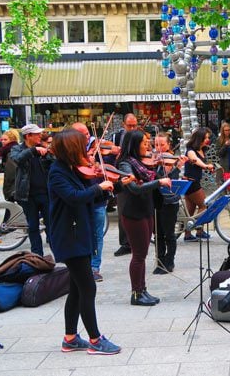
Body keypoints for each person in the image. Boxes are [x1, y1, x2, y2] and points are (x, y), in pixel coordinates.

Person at [47, 129, 121, 355]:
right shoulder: (57, 173)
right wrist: (99, 186)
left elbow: (91, 198)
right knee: (88, 287)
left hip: (79, 234)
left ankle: (70, 338)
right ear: (72, 149)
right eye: (83, 146)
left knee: (77, 289)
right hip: (70, 238)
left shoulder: (73, 170)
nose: (88, 151)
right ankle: (95, 340)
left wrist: (117, 185)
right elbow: (74, 198)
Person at [116, 130, 171, 306]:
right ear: (134, 144)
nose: (148, 145)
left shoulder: (139, 162)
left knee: (143, 253)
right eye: (144, 142)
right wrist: (158, 182)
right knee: (139, 255)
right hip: (134, 213)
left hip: (146, 210)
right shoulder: (125, 164)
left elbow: (151, 176)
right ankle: (136, 293)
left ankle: (143, 289)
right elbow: (135, 188)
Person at [72, 122, 109, 282]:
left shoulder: (95, 153)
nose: (88, 137)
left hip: (98, 199)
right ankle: (83, 266)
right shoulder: (70, 156)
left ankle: (95, 267)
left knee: (98, 235)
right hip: (82, 202)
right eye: (84, 134)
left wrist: (98, 169)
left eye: (88, 133)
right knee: (82, 234)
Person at [10, 124, 54, 256]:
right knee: (33, 226)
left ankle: (58, 254)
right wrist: (33, 151)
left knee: (51, 226)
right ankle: (37, 256)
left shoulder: (43, 148)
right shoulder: (17, 148)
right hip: (27, 195)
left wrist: (48, 154)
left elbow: (53, 164)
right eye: (37, 134)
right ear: (28, 136)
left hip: (45, 193)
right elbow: (17, 159)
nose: (40, 136)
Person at [153, 132, 186, 274]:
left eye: (162, 145)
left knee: (169, 234)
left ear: (169, 145)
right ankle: (160, 261)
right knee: (158, 234)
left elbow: (169, 182)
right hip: (156, 201)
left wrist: (177, 167)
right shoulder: (153, 160)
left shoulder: (172, 161)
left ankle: (169, 261)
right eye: (156, 145)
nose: (158, 148)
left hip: (170, 202)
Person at [111, 113, 139, 257]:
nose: (133, 128)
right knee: (123, 210)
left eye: (135, 125)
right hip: (121, 176)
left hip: (137, 175)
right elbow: (107, 157)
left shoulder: (140, 136)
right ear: (123, 125)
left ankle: (138, 241)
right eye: (129, 125)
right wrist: (113, 153)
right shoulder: (116, 137)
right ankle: (125, 243)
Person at [182, 127, 215, 241]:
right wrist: (206, 166)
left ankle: (187, 234)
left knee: (190, 211)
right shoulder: (190, 150)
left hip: (192, 182)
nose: (207, 140)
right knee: (203, 205)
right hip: (191, 182)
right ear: (199, 138)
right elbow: (195, 159)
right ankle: (199, 229)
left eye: (208, 137)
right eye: (204, 138)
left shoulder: (203, 149)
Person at [0, 129, 20, 203]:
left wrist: (8, 190)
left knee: (12, 211)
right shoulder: (12, 150)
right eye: (2, 139)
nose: (3, 141)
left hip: (14, 188)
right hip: (15, 187)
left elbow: (11, 174)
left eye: (5, 139)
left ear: (12, 140)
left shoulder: (11, 152)